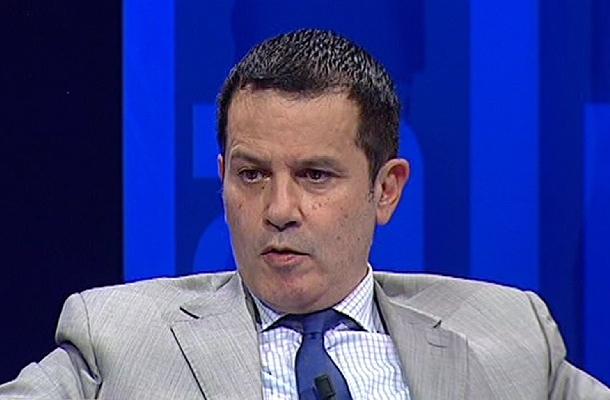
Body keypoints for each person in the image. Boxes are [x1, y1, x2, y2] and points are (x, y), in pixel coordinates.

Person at [1, 29, 608, 400]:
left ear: (386, 190)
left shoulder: (510, 333)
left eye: (315, 176)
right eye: (252, 174)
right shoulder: (116, 338)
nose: (279, 210)